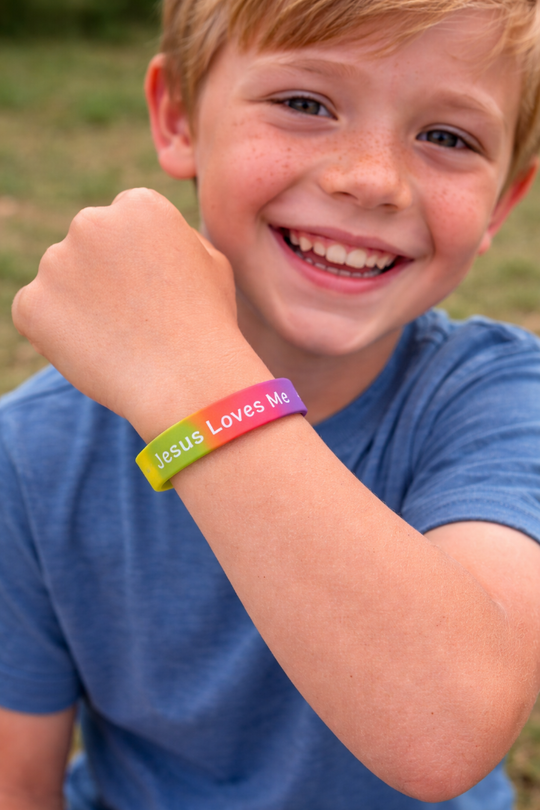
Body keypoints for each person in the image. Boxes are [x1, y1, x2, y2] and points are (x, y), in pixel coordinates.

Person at [2, 0, 540, 807]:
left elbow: (445, 730)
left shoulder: (498, 402)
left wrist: (194, 385)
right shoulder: (33, 450)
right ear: (178, 117)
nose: (371, 179)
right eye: (304, 104)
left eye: (448, 138)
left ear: (504, 199)